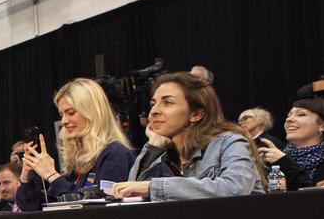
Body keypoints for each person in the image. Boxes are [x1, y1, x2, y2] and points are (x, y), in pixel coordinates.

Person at [111, 72, 262, 201]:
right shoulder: (160, 153)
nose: (154, 111)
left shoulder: (229, 142)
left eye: (168, 103)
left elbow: (235, 188)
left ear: (196, 114)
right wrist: (152, 147)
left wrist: (154, 187)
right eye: (153, 103)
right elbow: (131, 194)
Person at [17, 78, 135, 211]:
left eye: (71, 112)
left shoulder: (115, 154)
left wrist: (51, 175)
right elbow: (35, 208)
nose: (64, 121)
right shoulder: (80, 161)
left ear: (92, 112)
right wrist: (27, 178)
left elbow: (99, 211)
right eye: (61, 114)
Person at [256, 97, 324, 190]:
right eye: (288, 115)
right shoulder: (277, 157)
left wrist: (284, 162)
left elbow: (316, 199)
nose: (289, 119)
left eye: (301, 114)